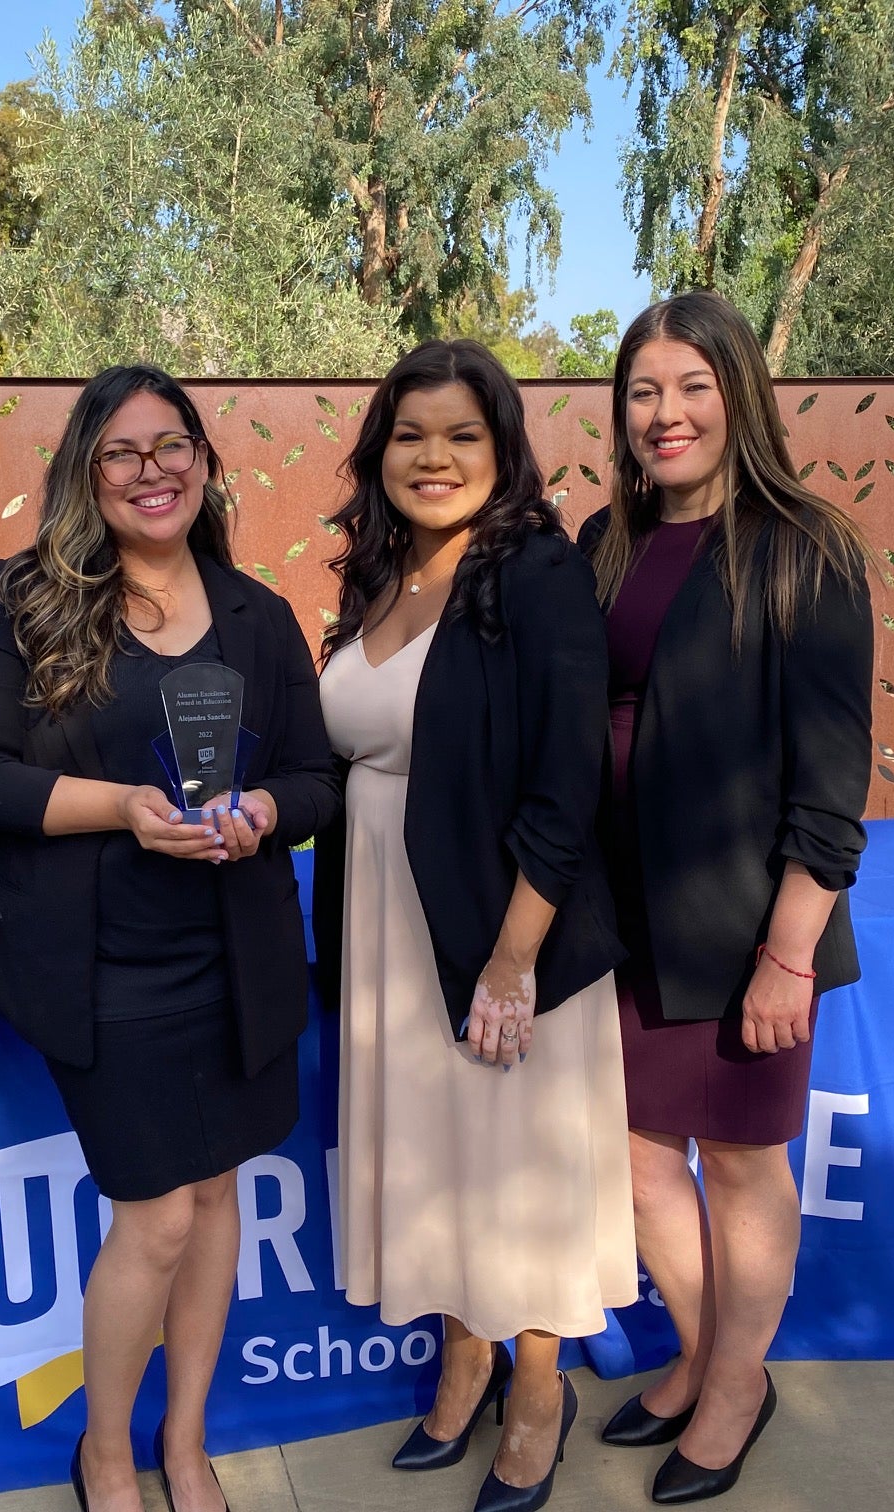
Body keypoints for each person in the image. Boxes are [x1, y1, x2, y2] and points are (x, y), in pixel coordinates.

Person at [0, 365, 338, 1512]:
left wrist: (265, 814)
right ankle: (105, 1451)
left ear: (205, 464)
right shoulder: (25, 600)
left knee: (219, 1201)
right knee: (158, 1213)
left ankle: (186, 1442)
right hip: (103, 967)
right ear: (86, 472)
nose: (152, 470)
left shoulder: (259, 616)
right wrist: (124, 809)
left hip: (236, 959)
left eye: (173, 447)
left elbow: (315, 780)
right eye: (123, 451)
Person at [313, 340, 637, 1512]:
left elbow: (566, 784)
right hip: (387, 923)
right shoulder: (379, 574)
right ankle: (464, 1356)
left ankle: (538, 1389)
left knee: (514, 1167)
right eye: (411, 435)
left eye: (462, 435)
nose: (433, 457)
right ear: (379, 452)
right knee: (441, 1167)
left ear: (502, 453)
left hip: (503, 927)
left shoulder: (537, 575)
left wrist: (512, 959)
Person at [579, 290, 873, 1504]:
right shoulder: (606, 539)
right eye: (645, 391)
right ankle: (707, 1354)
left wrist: (788, 954)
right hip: (621, 912)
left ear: (738, 395)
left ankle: (740, 1385)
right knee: (639, 1160)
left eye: (692, 388)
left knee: (743, 1163)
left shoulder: (807, 546)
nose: (667, 414)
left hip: (747, 918)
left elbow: (832, 782)